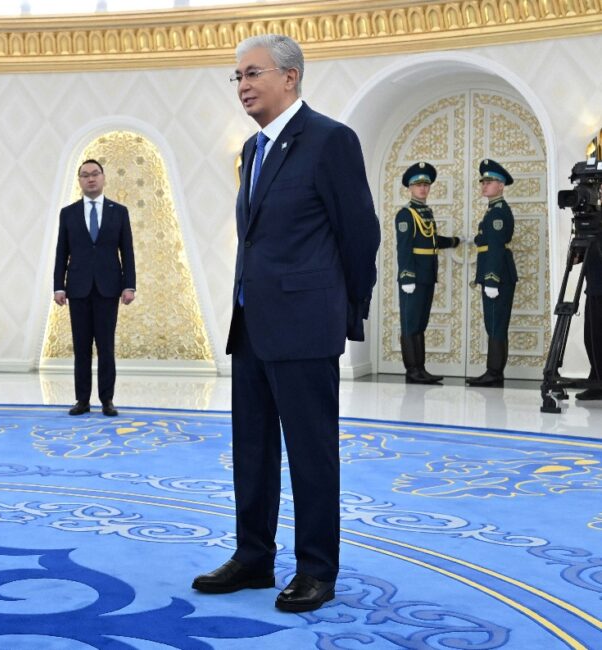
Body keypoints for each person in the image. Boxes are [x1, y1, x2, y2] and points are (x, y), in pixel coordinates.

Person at [191, 34, 379, 613]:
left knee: (310, 454)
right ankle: (253, 557)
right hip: (251, 323)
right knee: (251, 451)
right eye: (238, 76)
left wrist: (345, 311)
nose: (242, 85)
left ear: (290, 77)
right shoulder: (252, 149)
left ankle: (316, 569)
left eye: (253, 73)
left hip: (305, 326)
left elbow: (360, 234)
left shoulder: (330, 140)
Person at [52, 159, 136, 417]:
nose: (90, 178)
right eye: (85, 175)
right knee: (81, 348)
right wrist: (58, 286)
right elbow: (61, 252)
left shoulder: (118, 212)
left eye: (95, 174)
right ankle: (82, 400)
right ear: (79, 180)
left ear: (103, 177)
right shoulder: (68, 213)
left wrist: (129, 285)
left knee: (106, 347)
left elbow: (127, 251)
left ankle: (107, 400)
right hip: (77, 289)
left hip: (108, 288)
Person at [395, 162, 460, 384]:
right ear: (410, 188)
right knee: (410, 323)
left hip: (427, 275)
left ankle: (420, 368)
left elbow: (430, 241)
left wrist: (454, 241)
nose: (422, 189)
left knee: (420, 323)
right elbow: (404, 248)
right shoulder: (406, 214)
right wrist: (407, 276)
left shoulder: (425, 212)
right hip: (413, 277)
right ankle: (412, 370)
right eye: (418, 185)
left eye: (426, 185)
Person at [466, 159, 516, 387]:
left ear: (501, 185)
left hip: (498, 275)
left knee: (496, 325)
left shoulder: (498, 213)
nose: (484, 185)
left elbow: (495, 247)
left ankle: (494, 373)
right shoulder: (493, 210)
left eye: (490, 182)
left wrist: (492, 279)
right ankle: (495, 372)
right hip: (495, 273)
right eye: (483, 182)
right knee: (494, 324)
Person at [577, 240, 602, 400]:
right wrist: (576, 255)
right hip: (593, 288)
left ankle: (597, 383)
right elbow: (577, 257)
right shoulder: (588, 231)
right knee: (591, 339)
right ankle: (596, 381)